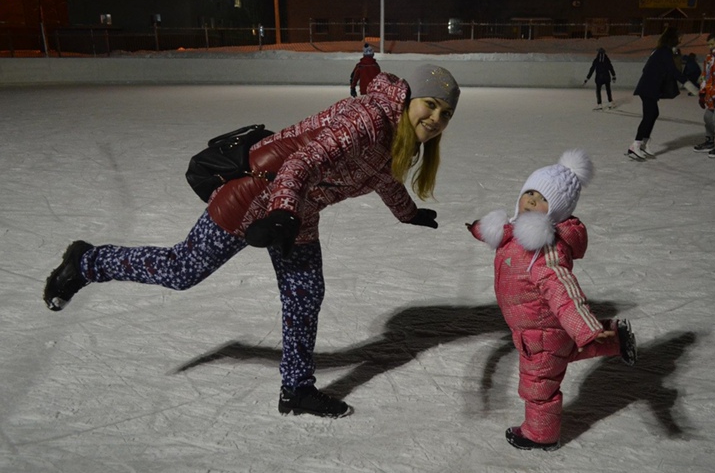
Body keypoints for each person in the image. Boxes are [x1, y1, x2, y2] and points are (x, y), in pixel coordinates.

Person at [43, 64, 461, 419]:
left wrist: (408, 213)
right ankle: (87, 262)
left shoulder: (396, 138)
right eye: (430, 105)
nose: (435, 118)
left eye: (445, 113)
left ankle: (296, 390)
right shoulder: (368, 121)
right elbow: (302, 161)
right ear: (409, 100)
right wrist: (281, 211)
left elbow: (382, 178)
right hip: (258, 193)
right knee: (181, 270)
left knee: (305, 293)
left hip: (297, 207)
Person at [467, 149, 637, 451]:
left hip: (541, 330)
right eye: (529, 193)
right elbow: (501, 230)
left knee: (538, 385)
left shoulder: (545, 251)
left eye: (542, 199)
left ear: (557, 211)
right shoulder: (515, 231)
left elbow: (563, 290)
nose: (532, 201)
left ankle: (540, 435)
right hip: (538, 328)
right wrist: (480, 228)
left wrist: (585, 326)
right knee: (564, 353)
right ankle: (615, 340)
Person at [627, 27, 699, 161]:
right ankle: (635, 145)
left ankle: (643, 143)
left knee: (653, 114)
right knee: (649, 115)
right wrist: (691, 87)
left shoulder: (660, 51)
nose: (681, 40)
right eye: (680, 37)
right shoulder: (664, 51)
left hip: (650, 87)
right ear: (673, 38)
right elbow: (673, 71)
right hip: (648, 88)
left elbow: (649, 68)